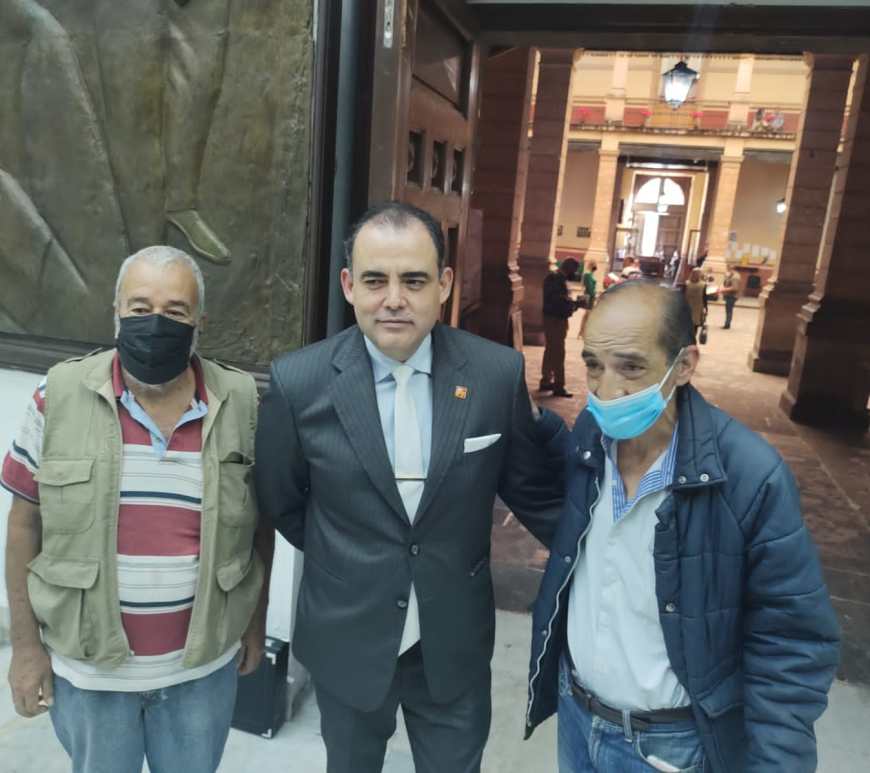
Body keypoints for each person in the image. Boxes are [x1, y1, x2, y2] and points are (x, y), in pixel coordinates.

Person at [254, 202, 564, 773]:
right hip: (349, 633)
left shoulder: (494, 375)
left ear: (443, 285)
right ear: (349, 285)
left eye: (414, 281)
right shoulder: (299, 383)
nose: (394, 299)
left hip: (453, 639)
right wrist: (351, 561)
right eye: (376, 280)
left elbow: (534, 494)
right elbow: (285, 502)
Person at [524, 280, 839, 773]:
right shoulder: (591, 437)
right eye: (593, 365)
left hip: (668, 748)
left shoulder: (749, 476)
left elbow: (791, 641)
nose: (607, 390)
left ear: (685, 364)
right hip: (577, 717)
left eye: (631, 367)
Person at [2, 246, 273, 773]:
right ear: (117, 313)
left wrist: (255, 624)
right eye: (140, 308)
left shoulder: (242, 402)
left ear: (199, 323)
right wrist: (26, 648)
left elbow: (261, 527)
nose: (155, 325)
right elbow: (22, 525)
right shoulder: (57, 395)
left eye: (175, 311)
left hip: (200, 676)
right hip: (91, 679)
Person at [542, 257, 581, 397]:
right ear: (569, 268)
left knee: (550, 350)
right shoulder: (557, 279)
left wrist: (572, 303)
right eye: (574, 270)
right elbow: (558, 301)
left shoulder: (555, 277)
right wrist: (573, 304)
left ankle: (546, 380)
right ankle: (559, 385)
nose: (575, 273)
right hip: (556, 319)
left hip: (551, 317)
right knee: (558, 352)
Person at [684, 267, 707, 339]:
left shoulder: (686, 283)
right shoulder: (703, 285)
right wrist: (706, 308)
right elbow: (704, 298)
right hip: (698, 308)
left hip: (687, 307)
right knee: (695, 325)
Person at [721, 264, 739, 329]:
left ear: (732, 269)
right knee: (728, 310)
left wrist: (724, 289)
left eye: (728, 269)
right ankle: (727, 324)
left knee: (729, 310)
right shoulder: (731, 276)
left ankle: (727, 324)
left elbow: (735, 288)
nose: (727, 271)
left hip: (732, 296)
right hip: (729, 295)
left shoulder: (735, 277)